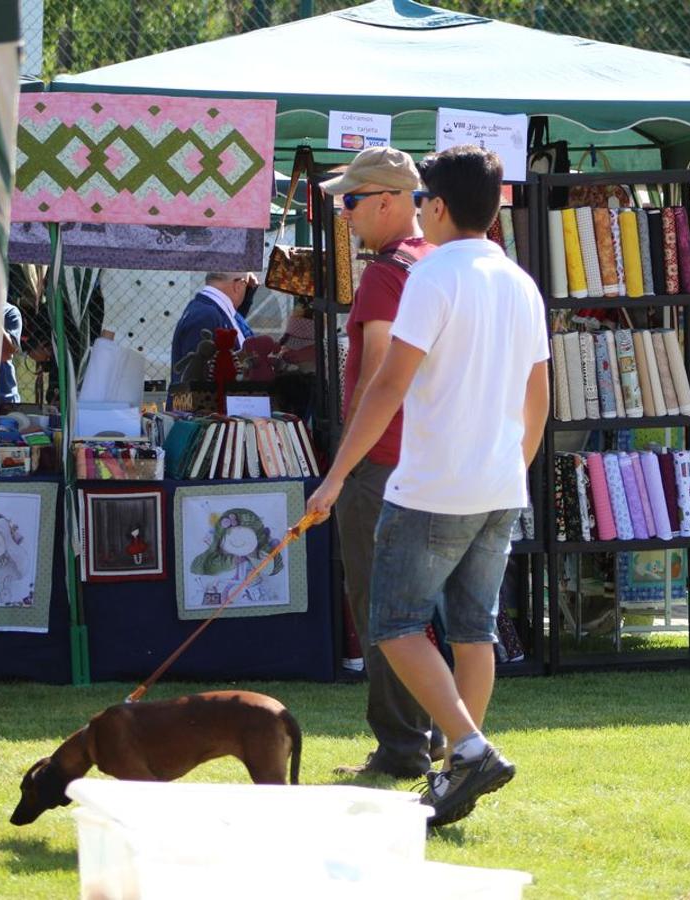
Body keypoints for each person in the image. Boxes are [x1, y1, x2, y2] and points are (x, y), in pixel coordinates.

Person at [306, 145, 550, 828]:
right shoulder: (517, 280)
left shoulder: (432, 275)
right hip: (500, 482)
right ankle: (453, 771)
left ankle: (468, 749)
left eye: (422, 203)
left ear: (435, 207)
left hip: (434, 482)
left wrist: (336, 475)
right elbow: (539, 396)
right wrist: (514, 466)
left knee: (391, 623)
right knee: (473, 632)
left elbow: (388, 383)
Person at [318, 145, 442, 779]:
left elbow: (374, 378)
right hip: (436, 463)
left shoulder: (387, 272)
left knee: (381, 608)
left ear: (391, 200)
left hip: (383, 463)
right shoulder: (441, 264)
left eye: (352, 200)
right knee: (428, 610)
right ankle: (441, 737)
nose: (345, 215)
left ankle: (401, 747)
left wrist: (339, 472)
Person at [168, 271, 257, 388]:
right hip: (208, 404)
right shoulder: (206, 315)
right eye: (246, 285)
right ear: (238, 286)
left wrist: (248, 292)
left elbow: (233, 324)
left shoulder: (209, 310)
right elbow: (196, 382)